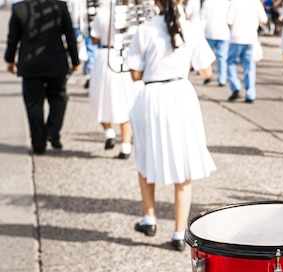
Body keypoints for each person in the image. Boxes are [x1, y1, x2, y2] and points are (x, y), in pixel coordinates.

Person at [126, 0, 217, 251]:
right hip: (181, 94)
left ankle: (150, 219)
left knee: (145, 159)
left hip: (152, 96)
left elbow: (134, 73)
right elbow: (207, 71)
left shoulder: (144, 29)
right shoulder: (192, 28)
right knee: (183, 166)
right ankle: (179, 233)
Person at [4, 0, 80, 155]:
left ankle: (38, 143)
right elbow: (69, 35)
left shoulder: (19, 8)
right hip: (56, 61)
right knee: (59, 97)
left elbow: (13, 38)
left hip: (30, 64)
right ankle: (52, 130)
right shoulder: (60, 6)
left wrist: (10, 59)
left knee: (33, 103)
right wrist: (75, 60)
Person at [89, 0, 141, 159]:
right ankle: (125, 146)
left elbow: (95, 39)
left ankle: (109, 132)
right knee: (126, 102)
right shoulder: (133, 13)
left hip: (107, 57)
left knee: (101, 100)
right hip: (126, 58)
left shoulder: (103, 12)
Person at [225, 0, 268, 103]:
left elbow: (229, 21)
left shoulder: (234, 2)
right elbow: (264, 19)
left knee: (231, 63)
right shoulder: (255, 2)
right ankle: (250, 93)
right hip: (251, 39)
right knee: (249, 66)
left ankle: (235, 86)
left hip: (236, 38)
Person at [201, 0, 230, 86]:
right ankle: (222, 79)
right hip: (223, 33)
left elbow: (202, 17)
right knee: (222, 58)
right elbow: (230, 19)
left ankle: (208, 75)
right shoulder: (227, 3)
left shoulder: (207, 3)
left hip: (210, 32)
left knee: (207, 57)